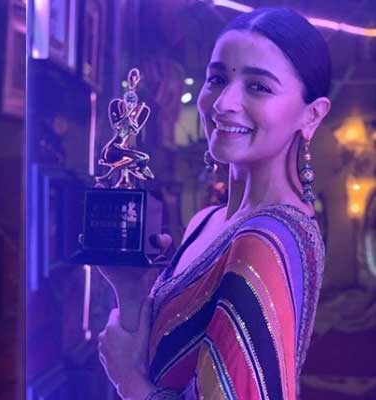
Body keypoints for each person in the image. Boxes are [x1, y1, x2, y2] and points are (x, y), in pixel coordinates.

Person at [97, 7, 330, 400]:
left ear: (312, 115)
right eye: (218, 79)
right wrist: (129, 285)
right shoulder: (205, 222)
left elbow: (139, 374)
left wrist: (126, 381)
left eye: (258, 87)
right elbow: (155, 361)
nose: (223, 103)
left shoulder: (268, 240)